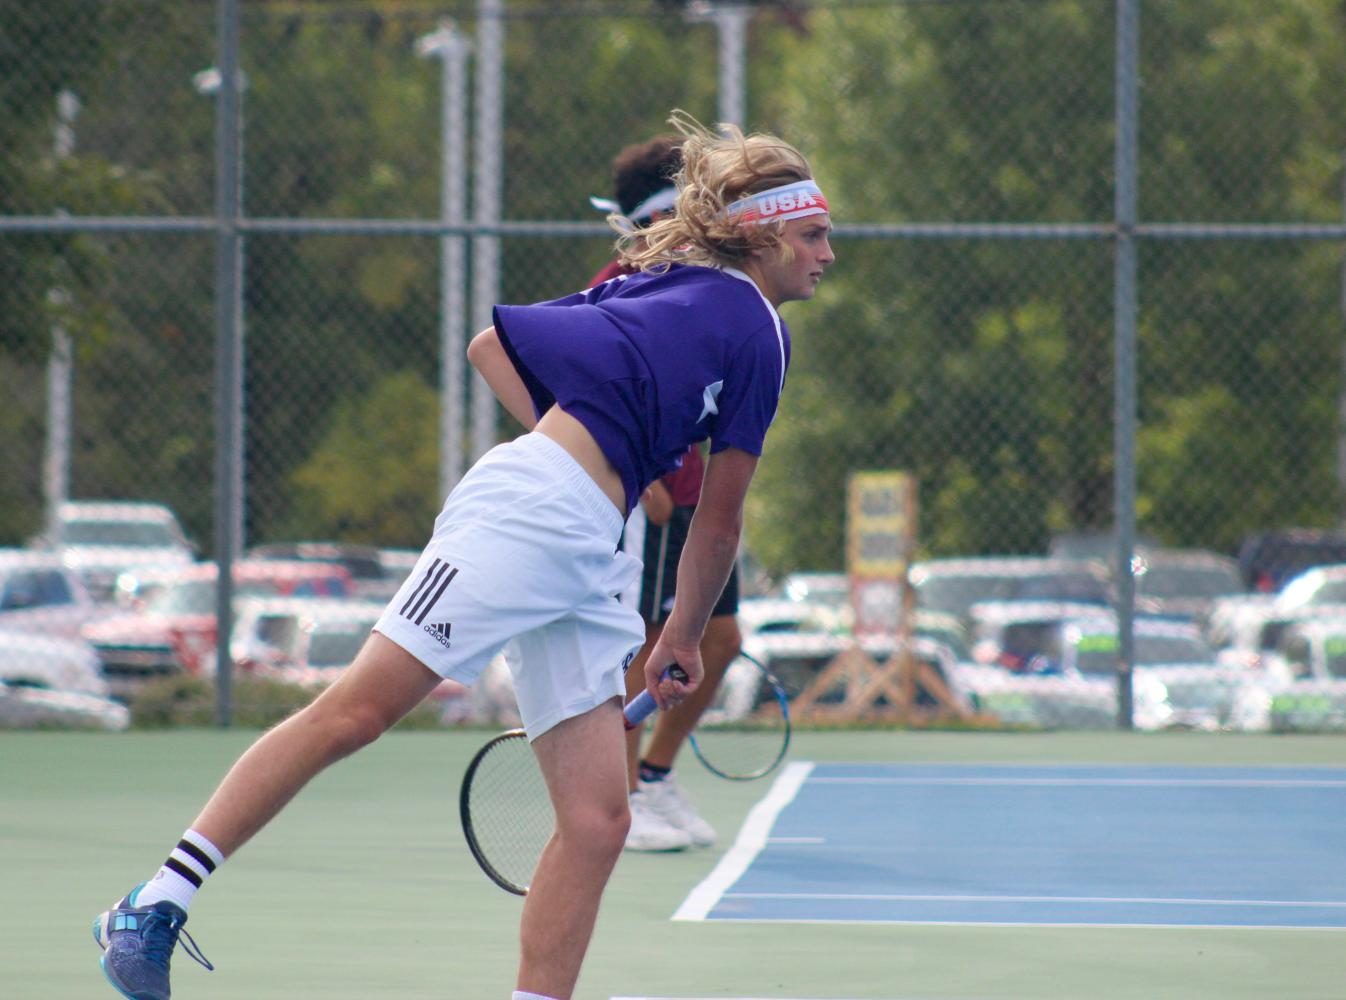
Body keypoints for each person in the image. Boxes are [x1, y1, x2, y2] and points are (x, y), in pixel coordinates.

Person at [92, 110, 834, 1000]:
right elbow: (720, 518)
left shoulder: (659, 279)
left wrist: (613, 472)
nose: (828, 254)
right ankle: (153, 902)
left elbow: (494, 350)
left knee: (598, 820)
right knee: (355, 714)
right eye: (815, 235)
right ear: (763, 235)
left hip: (590, 548)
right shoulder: (758, 329)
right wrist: (676, 626)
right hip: (529, 514)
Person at [587, 134, 744, 852]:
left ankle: (654, 777)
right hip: (644, 502)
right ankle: (621, 798)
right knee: (643, 644)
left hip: (695, 500)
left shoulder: (711, 282)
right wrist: (639, 474)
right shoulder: (620, 282)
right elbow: (571, 381)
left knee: (719, 637)